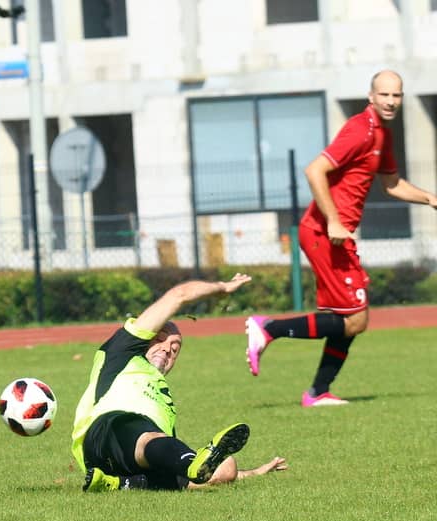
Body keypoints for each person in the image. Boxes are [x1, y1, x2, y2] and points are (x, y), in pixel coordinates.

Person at [245, 70, 437, 407]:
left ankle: (318, 392)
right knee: (355, 318)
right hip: (325, 233)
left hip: (337, 235)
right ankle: (269, 329)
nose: (391, 101)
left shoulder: (382, 135)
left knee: (352, 319)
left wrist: (430, 198)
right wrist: (333, 220)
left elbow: (392, 184)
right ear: (371, 96)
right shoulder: (361, 130)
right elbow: (314, 170)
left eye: (396, 95)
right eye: (385, 95)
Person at [71, 273, 287, 492]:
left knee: (227, 468)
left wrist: (254, 472)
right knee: (146, 435)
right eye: (159, 339)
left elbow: (187, 468)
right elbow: (179, 295)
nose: (167, 349)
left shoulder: (165, 405)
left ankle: (118, 484)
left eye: (175, 349)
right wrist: (222, 287)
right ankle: (189, 461)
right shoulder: (121, 353)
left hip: (121, 465)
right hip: (103, 436)